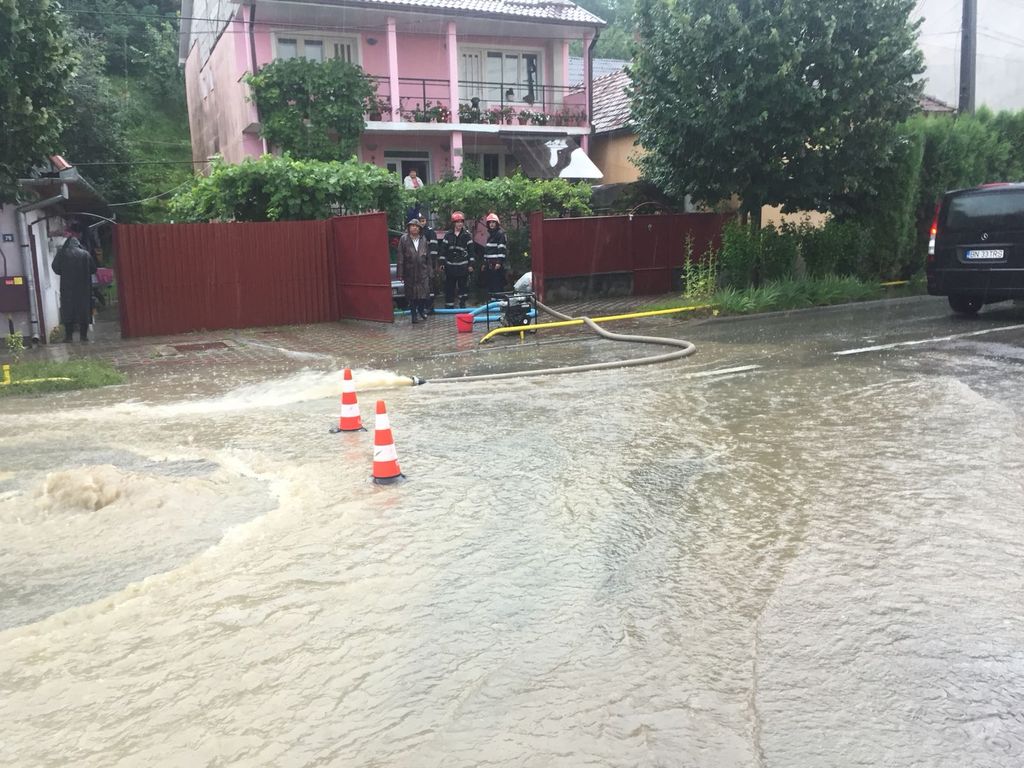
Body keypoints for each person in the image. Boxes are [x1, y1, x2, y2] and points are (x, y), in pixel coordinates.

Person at [51, 223, 96, 342]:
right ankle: (83, 336)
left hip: (67, 287)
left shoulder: (62, 253)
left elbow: (55, 268)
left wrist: (65, 273)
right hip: (83, 287)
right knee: (84, 310)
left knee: (68, 310)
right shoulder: (85, 254)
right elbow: (93, 269)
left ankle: (68, 337)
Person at [396, 218, 432, 323]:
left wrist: (430, 271)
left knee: (423, 293)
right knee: (411, 295)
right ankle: (413, 315)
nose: (414, 228)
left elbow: (428, 257)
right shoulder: (403, 239)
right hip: (409, 271)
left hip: (423, 271)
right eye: (412, 226)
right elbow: (400, 257)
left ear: (420, 228)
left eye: (416, 226)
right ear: (409, 228)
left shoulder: (423, 239)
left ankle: (421, 310)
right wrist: (400, 273)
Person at [439, 211, 475, 309]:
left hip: (463, 266)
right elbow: (443, 250)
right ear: (453, 223)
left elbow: (471, 251)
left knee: (463, 286)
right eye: (457, 222)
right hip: (450, 266)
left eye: (461, 222)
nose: (459, 224)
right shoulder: (448, 235)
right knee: (449, 286)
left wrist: (471, 264)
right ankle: (449, 305)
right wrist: (442, 263)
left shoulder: (466, 235)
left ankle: (462, 304)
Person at [481, 212, 508, 296]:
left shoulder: (500, 234)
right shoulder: (490, 236)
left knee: (497, 284)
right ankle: (493, 300)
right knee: (491, 284)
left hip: (496, 264)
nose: (491, 224)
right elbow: (487, 251)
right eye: (490, 222)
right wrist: (484, 263)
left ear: (497, 223)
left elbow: (501, 249)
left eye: (493, 222)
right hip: (489, 264)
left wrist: (499, 262)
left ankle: (499, 300)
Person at [418, 212, 440, 312]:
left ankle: (430, 307)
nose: (422, 223)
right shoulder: (416, 233)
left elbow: (434, 248)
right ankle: (422, 306)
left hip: (429, 263)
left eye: (423, 221)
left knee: (430, 285)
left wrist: (432, 261)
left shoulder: (430, 232)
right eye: (420, 221)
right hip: (418, 265)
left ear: (426, 221)